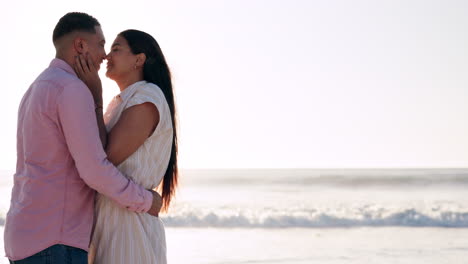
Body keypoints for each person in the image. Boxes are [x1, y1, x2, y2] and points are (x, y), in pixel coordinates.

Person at [4, 12, 163, 264]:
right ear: (80, 45)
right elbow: (94, 169)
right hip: (54, 242)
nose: (104, 55)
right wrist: (146, 200)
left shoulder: (36, 87)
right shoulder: (72, 89)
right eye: (101, 44)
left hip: (24, 238)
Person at [75, 29, 178, 264]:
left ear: (138, 60)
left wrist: (95, 93)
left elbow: (103, 158)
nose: (107, 56)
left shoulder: (147, 96)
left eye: (116, 49)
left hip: (129, 226)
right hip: (113, 219)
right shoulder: (123, 101)